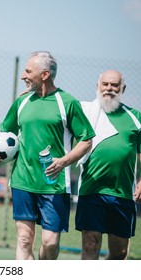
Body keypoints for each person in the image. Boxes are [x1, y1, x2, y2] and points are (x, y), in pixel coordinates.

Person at [0, 51, 95, 260]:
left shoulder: (67, 102)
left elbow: (87, 140)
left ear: (44, 74)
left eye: (28, 71)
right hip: (23, 180)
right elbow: (4, 131)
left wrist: (64, 161)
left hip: (54, 184)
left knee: (49, 243)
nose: (24, 76)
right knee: (24, 239)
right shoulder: (21, 102)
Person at [76, 70, 141, 260]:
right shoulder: (84, 111)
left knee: (119, 253)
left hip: (122, 194)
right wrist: (33, 94)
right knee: (90, 245)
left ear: (122, 88)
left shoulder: (135, 117)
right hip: (91, 191)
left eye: (114, 85)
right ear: (98, 86)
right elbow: (57, 108)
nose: (109, 89)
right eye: (105, 84)